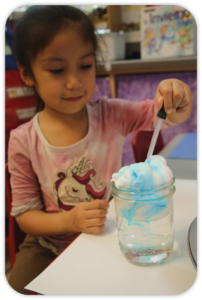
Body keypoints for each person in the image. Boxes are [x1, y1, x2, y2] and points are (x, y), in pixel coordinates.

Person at [7, 5, 193, 295]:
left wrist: (176, 97)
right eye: (57, 70)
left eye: (85, 66)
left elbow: (163, 115)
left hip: (110, 231)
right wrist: (69, 220)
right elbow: (25, 216)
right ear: (27, 73)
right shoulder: (22, 140)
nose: (74, 82)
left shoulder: (111, 114)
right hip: (47, 245)